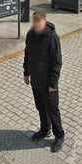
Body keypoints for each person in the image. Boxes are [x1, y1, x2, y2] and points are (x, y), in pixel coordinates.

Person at [23, 10, 64, 152]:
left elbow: (57, 62)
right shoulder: (30, 35)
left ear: (44, 22)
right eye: (34, 22)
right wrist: (26, 73)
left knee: (52, 109)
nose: (36, 25)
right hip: (36, 80)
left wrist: (53, 83)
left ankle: (59, 135)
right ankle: (45, 129)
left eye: (38, 22)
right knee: (40, 107)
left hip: (48, 83)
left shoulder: (52, 37)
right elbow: (27, 54)